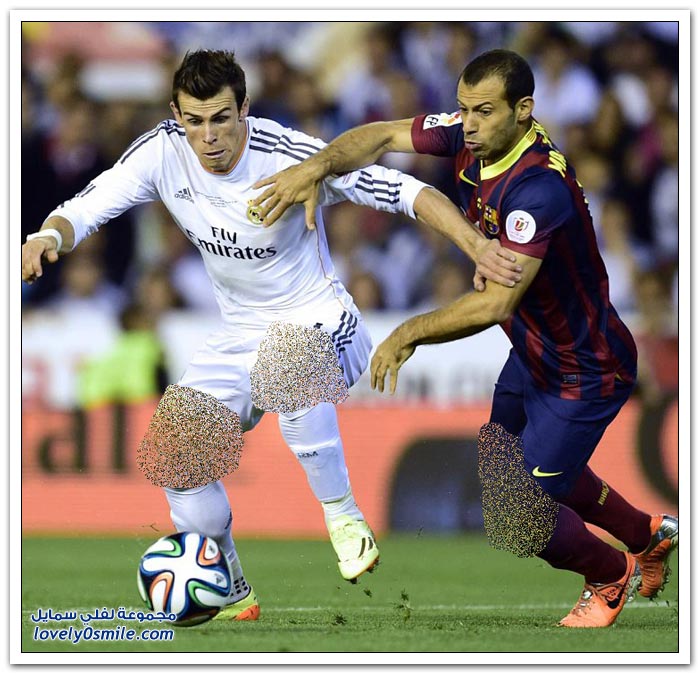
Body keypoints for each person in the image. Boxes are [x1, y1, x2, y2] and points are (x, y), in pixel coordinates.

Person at [21, 50, 520, 622]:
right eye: (194, 121)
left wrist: (477, 246)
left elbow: (405, 191)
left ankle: (342, 514)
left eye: (221, 118)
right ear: (176, 116)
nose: (208, 136)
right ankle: (232, 588)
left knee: (287, 362)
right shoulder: (162, 151)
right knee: (175, 450)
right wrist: (47, 237)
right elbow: (88, 206)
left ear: (244, 110)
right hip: (239, 332)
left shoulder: (289, 156)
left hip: (322, 321)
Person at [252, 49, 678, 629]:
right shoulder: (467, 135)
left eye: (484, 111)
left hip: (585, 368)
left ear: (524, 110)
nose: (468, 125)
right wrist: (316, 167)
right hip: (532, 355)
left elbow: (497, 302)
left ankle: (608, 574)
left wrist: (409, 332)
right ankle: (645, 536)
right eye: (463, 109)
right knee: (504, 477)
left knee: (518, 507)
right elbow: (380, 136)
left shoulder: (538, 191)